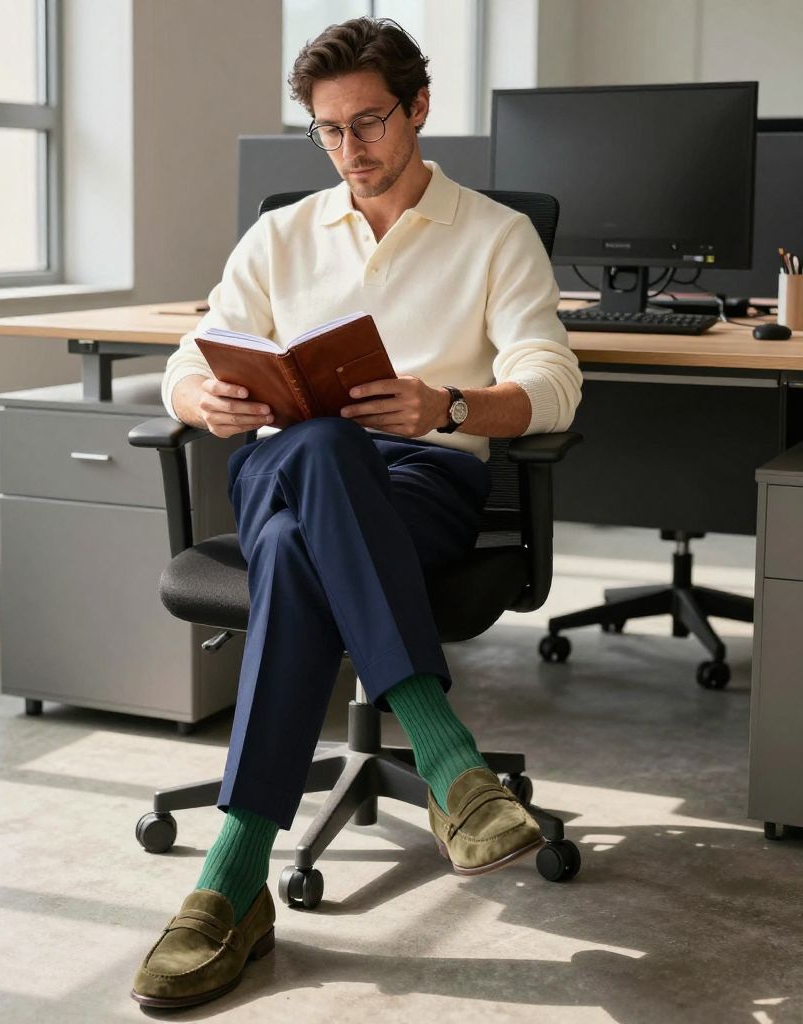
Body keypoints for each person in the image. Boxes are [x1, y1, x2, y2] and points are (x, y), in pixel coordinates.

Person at [131, 16, 582, 1010]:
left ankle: (230, 883)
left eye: (369, 123)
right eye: (328, 131)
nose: (350, 151)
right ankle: (446, 757)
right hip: (280, 471)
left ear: (418, 109)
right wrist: (198, 399)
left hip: (421, 484)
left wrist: (449, 405)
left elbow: (549, 385)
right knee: (318, 450)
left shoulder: (495, 236)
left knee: (298, 547)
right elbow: (187, 358)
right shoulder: (279, 236)